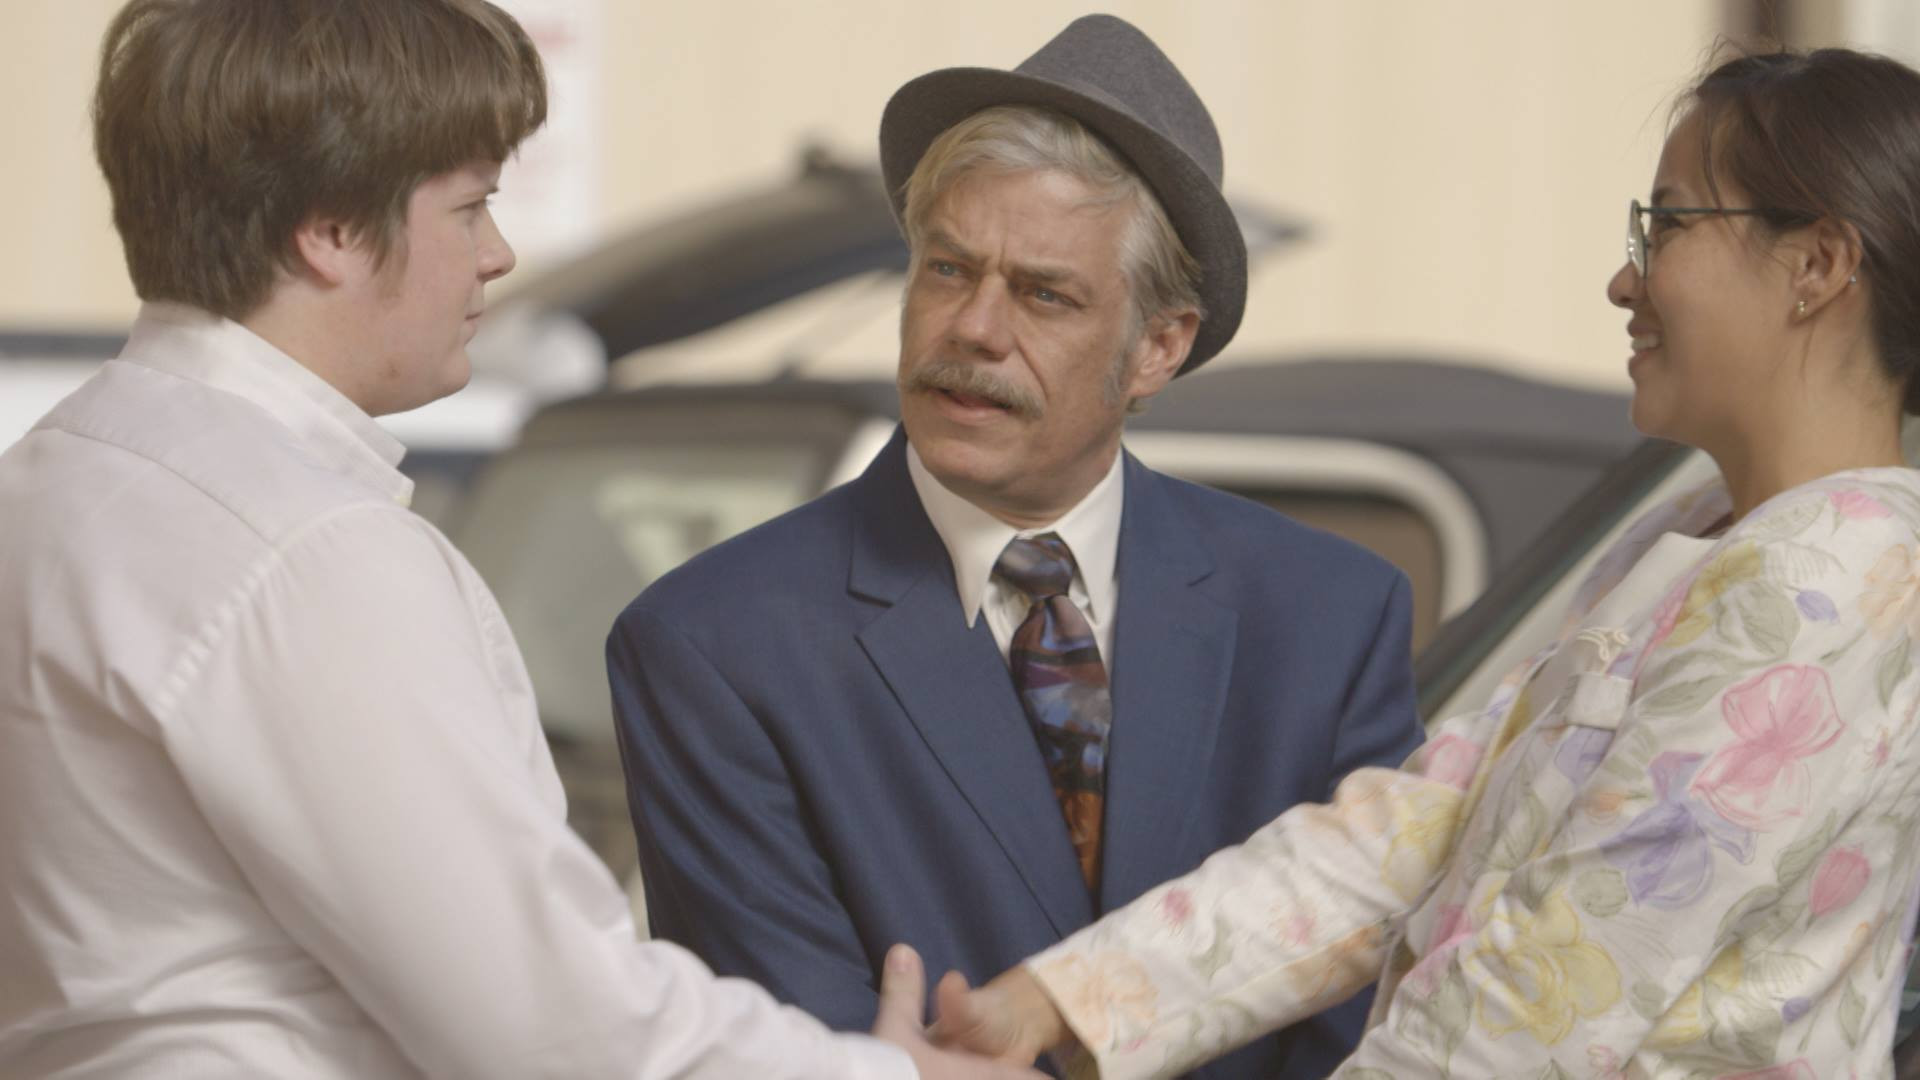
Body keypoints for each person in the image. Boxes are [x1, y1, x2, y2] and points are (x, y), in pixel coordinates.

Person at [0, 3, 1038, 1078]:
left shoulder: (49, 485)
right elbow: (555, 1032)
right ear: (330, 229)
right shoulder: (308, 554)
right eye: (470, 206)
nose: (497, 255)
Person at [932, 45, 1920, 1078]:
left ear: (1818, 266)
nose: (1626, 278)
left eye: (1667, 225)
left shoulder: (1829, 579)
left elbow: (1544, 1003)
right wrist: (1053, 1001)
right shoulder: (1702, 533)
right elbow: (1414, 833)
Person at [606, 15, 1424, 1080]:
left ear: (1159, 347)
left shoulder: (1330, 615)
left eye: (1044, 294)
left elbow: (1369, 1020)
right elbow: (793, 1047)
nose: (975, 329)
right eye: (948, 270)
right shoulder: (712, 642)